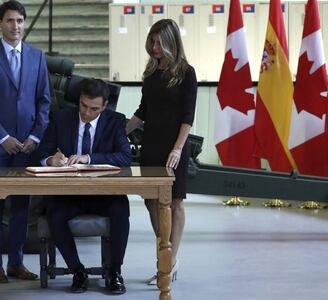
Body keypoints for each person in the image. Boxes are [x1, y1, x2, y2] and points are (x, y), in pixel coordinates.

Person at [0, 0, 50, 283]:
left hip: (26, 147)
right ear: (0, 23)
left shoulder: (37, 57)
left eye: (19, 21)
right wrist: (3, 137)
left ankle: (16, 263)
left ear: (24, 23)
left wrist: (34, 136)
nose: (15, 26)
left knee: (20, 206)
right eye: (9, 21)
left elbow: (44, 101)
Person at [37, 78, 131, 294]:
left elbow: (125, 157)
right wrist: (51, 160)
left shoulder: (115, 121)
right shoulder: (61, 118)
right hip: (69, 194)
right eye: (83, 106)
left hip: (103, 195)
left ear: (105, 106)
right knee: (55, 214)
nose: (87, 113)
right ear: (79, 100)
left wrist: (89, 158)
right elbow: (42, 151)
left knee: (120, 212)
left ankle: (114, 272)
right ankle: (77, 271)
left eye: (94, 109)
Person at [126, 19, 197, 285]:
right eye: (152, 42)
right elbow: (143, 110)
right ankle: (164, 246)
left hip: (174, 146)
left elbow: (188, 117)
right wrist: (117, 132)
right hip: (152, 145)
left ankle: (169, 260)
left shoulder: (186, 73)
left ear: (171, 42)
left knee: (175, 202)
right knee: (151, 201)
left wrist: (178, 149)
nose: (154, 47)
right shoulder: (151, 73)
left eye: (159, 42)